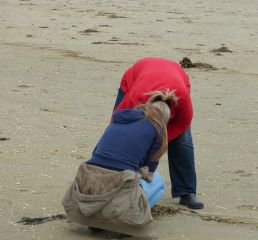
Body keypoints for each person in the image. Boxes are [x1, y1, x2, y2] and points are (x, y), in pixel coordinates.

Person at [62, 91, 176, 237]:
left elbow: (96, 151)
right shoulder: (158, 128)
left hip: (90, 176)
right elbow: (148, 171)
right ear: (165, 118)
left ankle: (97, 221)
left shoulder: (118, 119)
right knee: (159, 183)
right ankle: (124, 220)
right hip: (122, 180)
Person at [113, 57, 204, 209]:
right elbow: (116, 124)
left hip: (177, 78)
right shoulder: (135, 98)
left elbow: (179, 127)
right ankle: (110, 176)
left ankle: (187, 192)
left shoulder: (183, 104)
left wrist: (154, 146)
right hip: (138, 75)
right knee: (123, 134)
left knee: (183, 142)